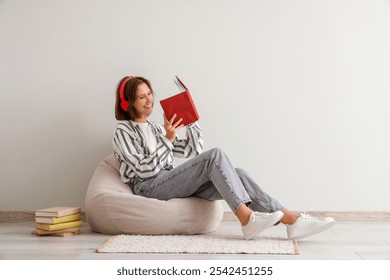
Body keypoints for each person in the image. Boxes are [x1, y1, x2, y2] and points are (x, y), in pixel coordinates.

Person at [112, 76, 334, 240]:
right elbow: (144, 170)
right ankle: (246, 219)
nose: (149, 100)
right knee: (215, 155)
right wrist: (168, 141)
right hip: (149, 186)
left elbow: (192, 151)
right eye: (142, 97)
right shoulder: (123, 131)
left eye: (150, 93)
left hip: (169, 180)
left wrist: (191, 118)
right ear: (127, 103)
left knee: (239, 175)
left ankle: (291, 220)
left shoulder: (156, 128)